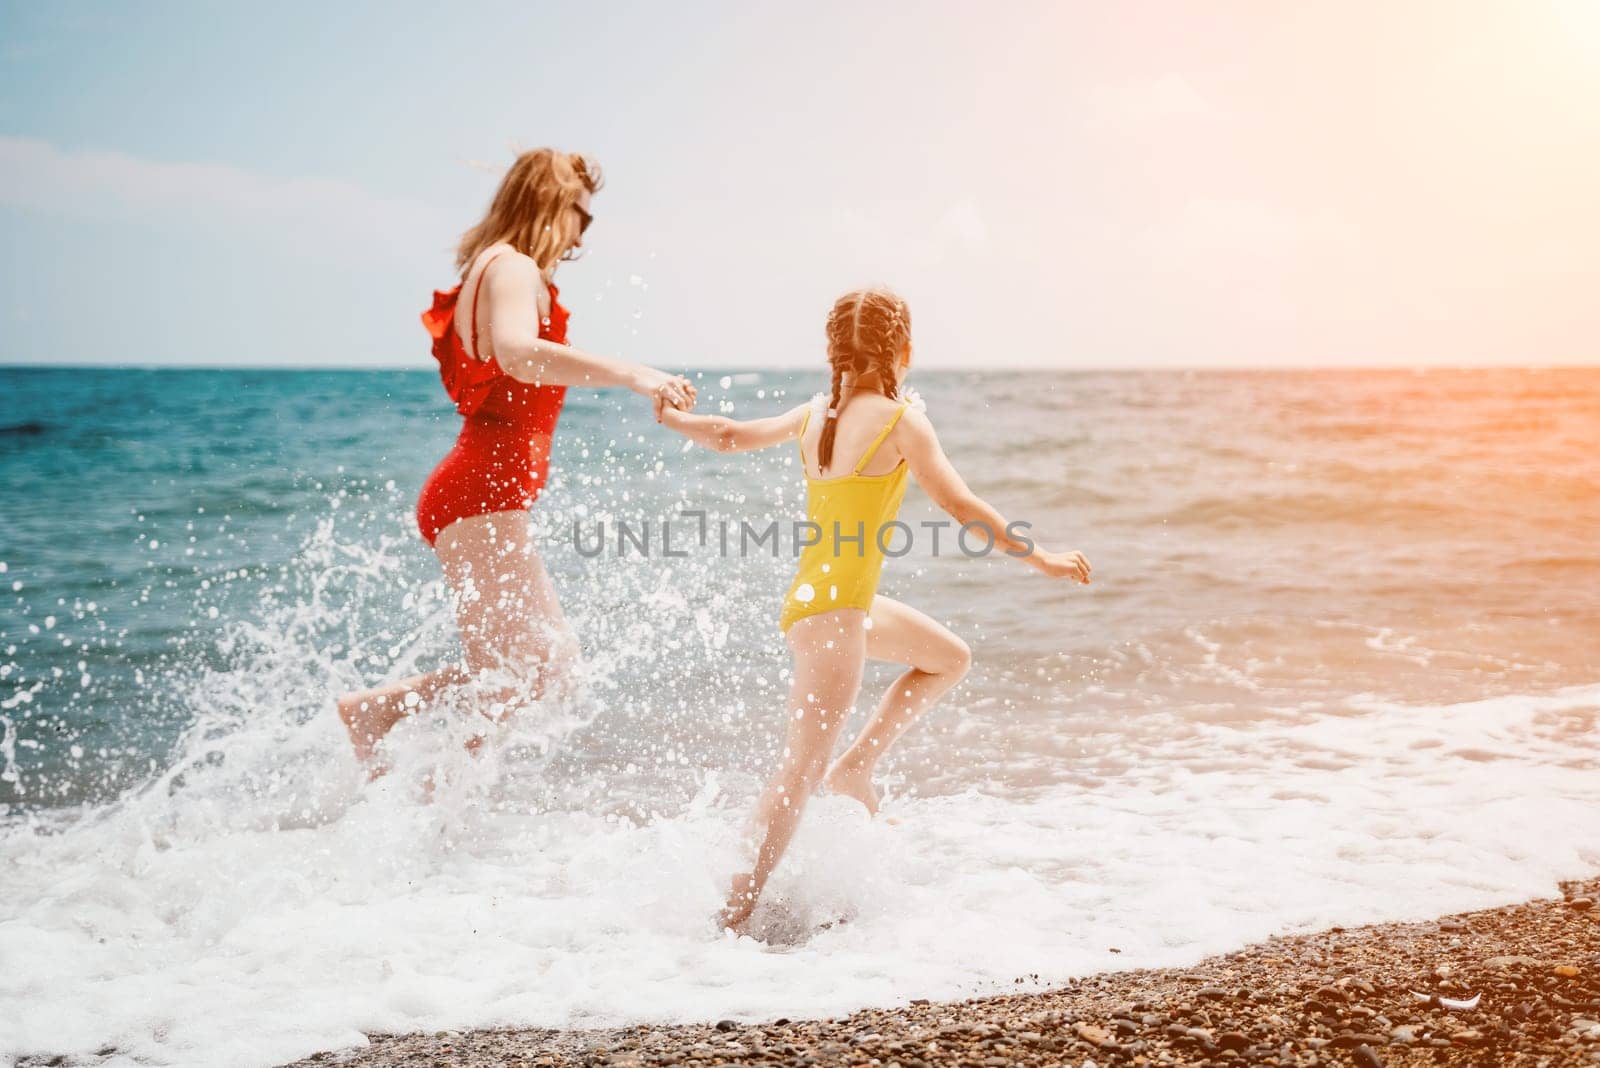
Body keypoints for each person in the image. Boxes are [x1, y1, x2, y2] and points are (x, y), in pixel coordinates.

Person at [654, 287, 1091, 930]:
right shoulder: (898, 419)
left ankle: (856, 767)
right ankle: (730, 911)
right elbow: (963, 507)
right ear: (903, 351)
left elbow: (726, 435)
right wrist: (1043, 557)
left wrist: (672, 420)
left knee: (948, 658)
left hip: (828, 605)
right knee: (798, 771)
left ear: (834, 353)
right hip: (834, 618)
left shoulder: (813, 415)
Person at [336, 148, 696, 771]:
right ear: (549, 201)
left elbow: (527, 360)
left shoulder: (502, 268)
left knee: (523, 679)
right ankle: (403, 751)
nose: (584, 233)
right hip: (479, 495)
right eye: (580, 214)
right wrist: (633, 372)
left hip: (481, 496)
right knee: (540, 678)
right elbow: (518, 354)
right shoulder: (511, 269)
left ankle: (425, 787)